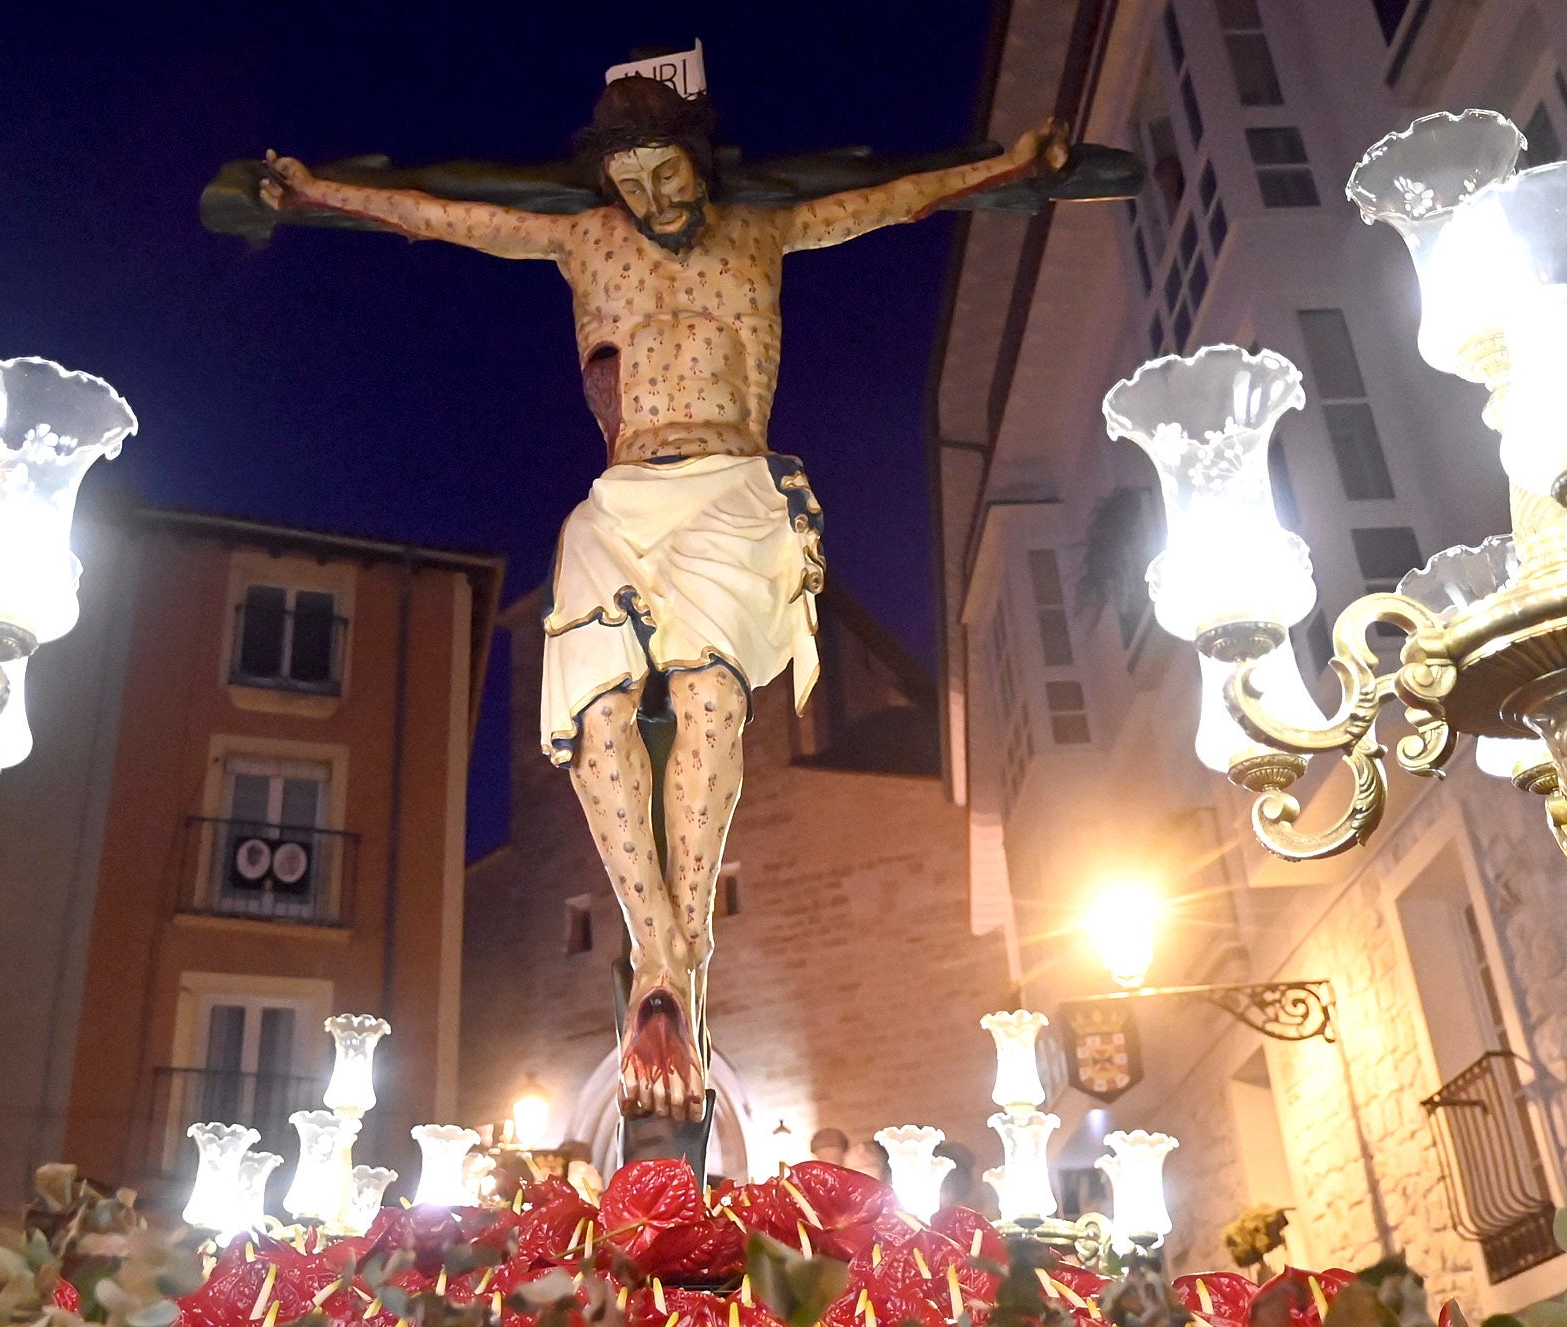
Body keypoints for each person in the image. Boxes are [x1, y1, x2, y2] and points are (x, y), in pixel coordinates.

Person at [261, 77, 1070, 1137]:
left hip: (733, 492)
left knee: (705, 704)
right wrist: (322, 196)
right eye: (630, 181)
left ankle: (669, 960)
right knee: (597, 717)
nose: (651, 197)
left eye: (667, 172)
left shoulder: (764, 227)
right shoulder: (583, 240)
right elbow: (450, 217)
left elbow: (893, 199)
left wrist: (1005, 167)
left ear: (699, 158)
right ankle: (663, 957)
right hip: (625, 493)